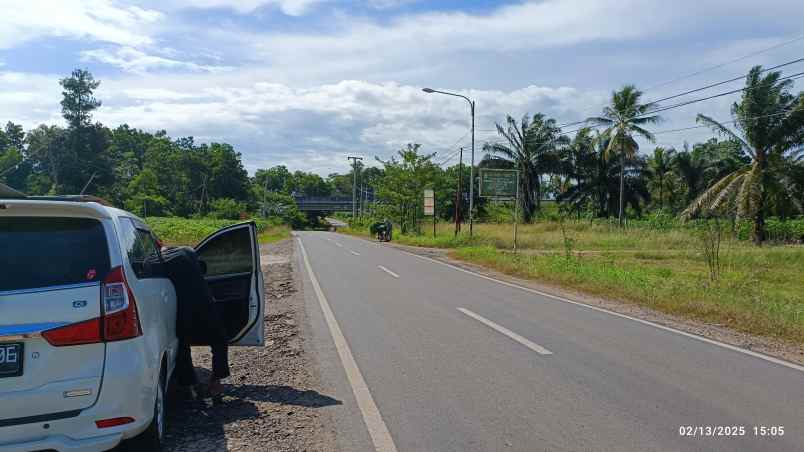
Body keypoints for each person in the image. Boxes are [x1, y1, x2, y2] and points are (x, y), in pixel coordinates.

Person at [163, 247, 230, 398]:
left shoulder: (154, 262)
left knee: (182, 344)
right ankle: (216, 382)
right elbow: (202, 268)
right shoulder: (188, 252)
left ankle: (189, 385)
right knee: (219, 339)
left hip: (181, 308)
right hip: (204, 302)